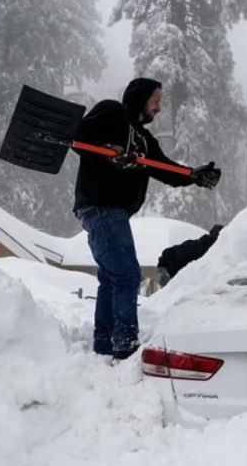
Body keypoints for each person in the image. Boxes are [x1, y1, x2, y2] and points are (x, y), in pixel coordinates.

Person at [73, 77, 221, 360]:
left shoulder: (144, 140)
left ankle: (105, 343)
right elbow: (80, 138)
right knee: (128, 275)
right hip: (101, 206)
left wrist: (193, 175)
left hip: (112, 213)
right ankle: (125, 343)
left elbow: (165, 169)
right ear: (140, 97)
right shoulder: (112, 112)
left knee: (113, 277)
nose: (159, 107)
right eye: (155, 100)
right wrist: (109, 151)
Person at [157, 225, 224, 287]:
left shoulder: (194, 245)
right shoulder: (204, 249)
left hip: (179, 282)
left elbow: (168, 252)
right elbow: (169, 253)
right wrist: (163, 270)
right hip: (180, 282)